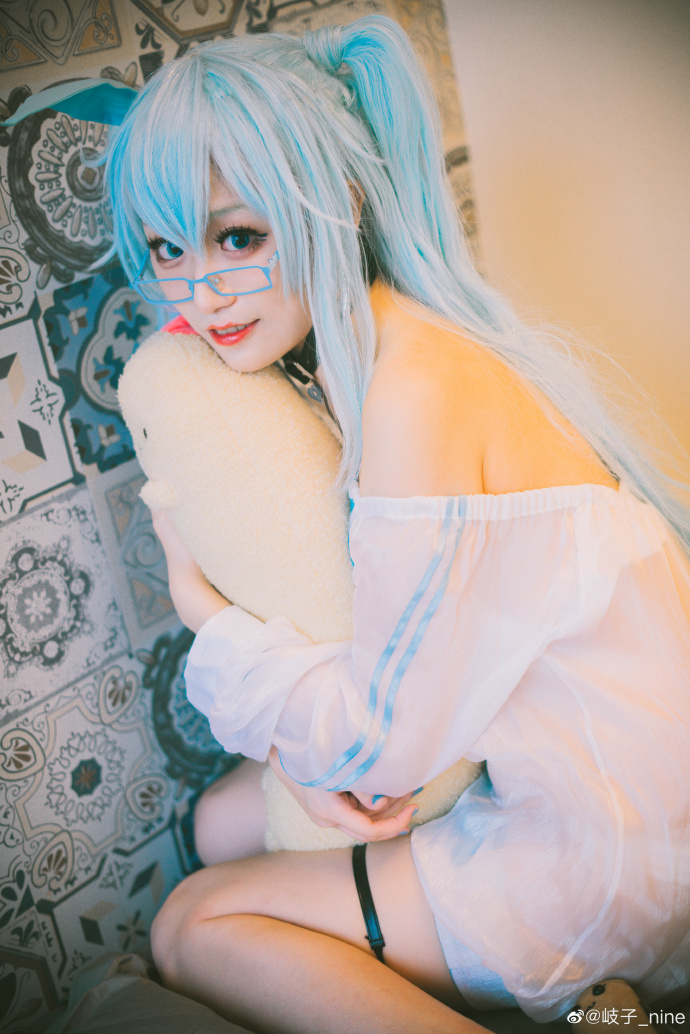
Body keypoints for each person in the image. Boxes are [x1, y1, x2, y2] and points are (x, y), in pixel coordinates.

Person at [102, 16, 690, 1034]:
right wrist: (306, 758)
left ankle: (603, 1008)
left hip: (608, 855)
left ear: (340, 199)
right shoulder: (401, 345)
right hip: (621, 799)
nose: (198, 290)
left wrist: (205, 612)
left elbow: (382, 751)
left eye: (239, 236)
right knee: (223, 821)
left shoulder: (415, 390)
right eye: (165, 247)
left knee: (193, 925)